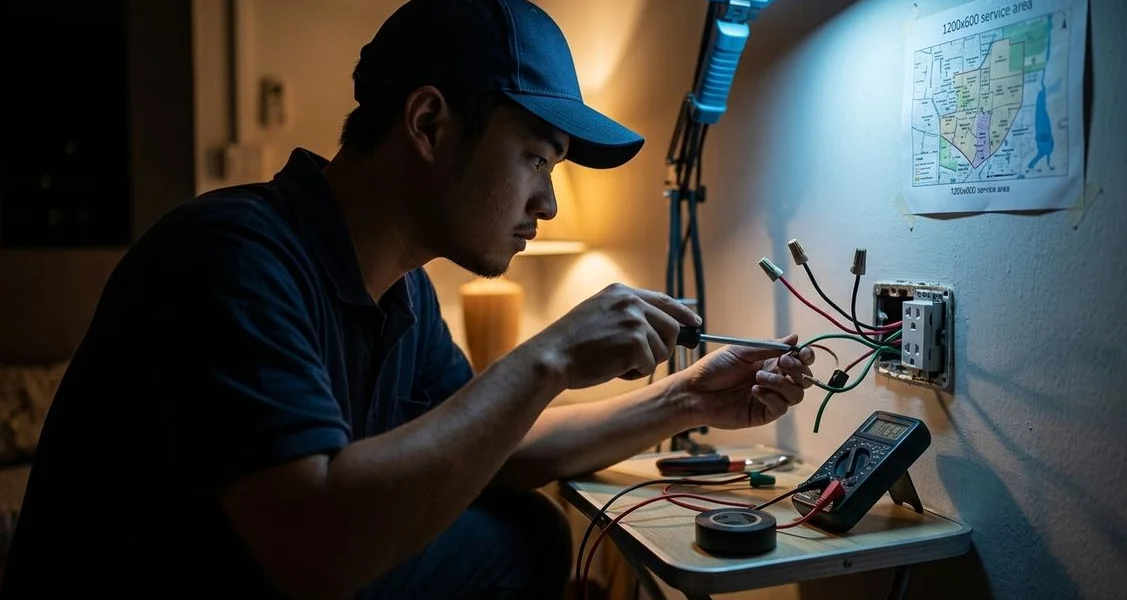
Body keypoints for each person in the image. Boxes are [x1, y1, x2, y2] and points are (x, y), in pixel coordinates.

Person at [0, 0, 815, 598]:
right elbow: (316, 551)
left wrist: (682, 399)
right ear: (429, 124)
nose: (549, 204)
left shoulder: (404, 295)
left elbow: (492, 445)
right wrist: (551, 353)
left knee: (520, 531)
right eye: (537, 159)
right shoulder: (232, 256)